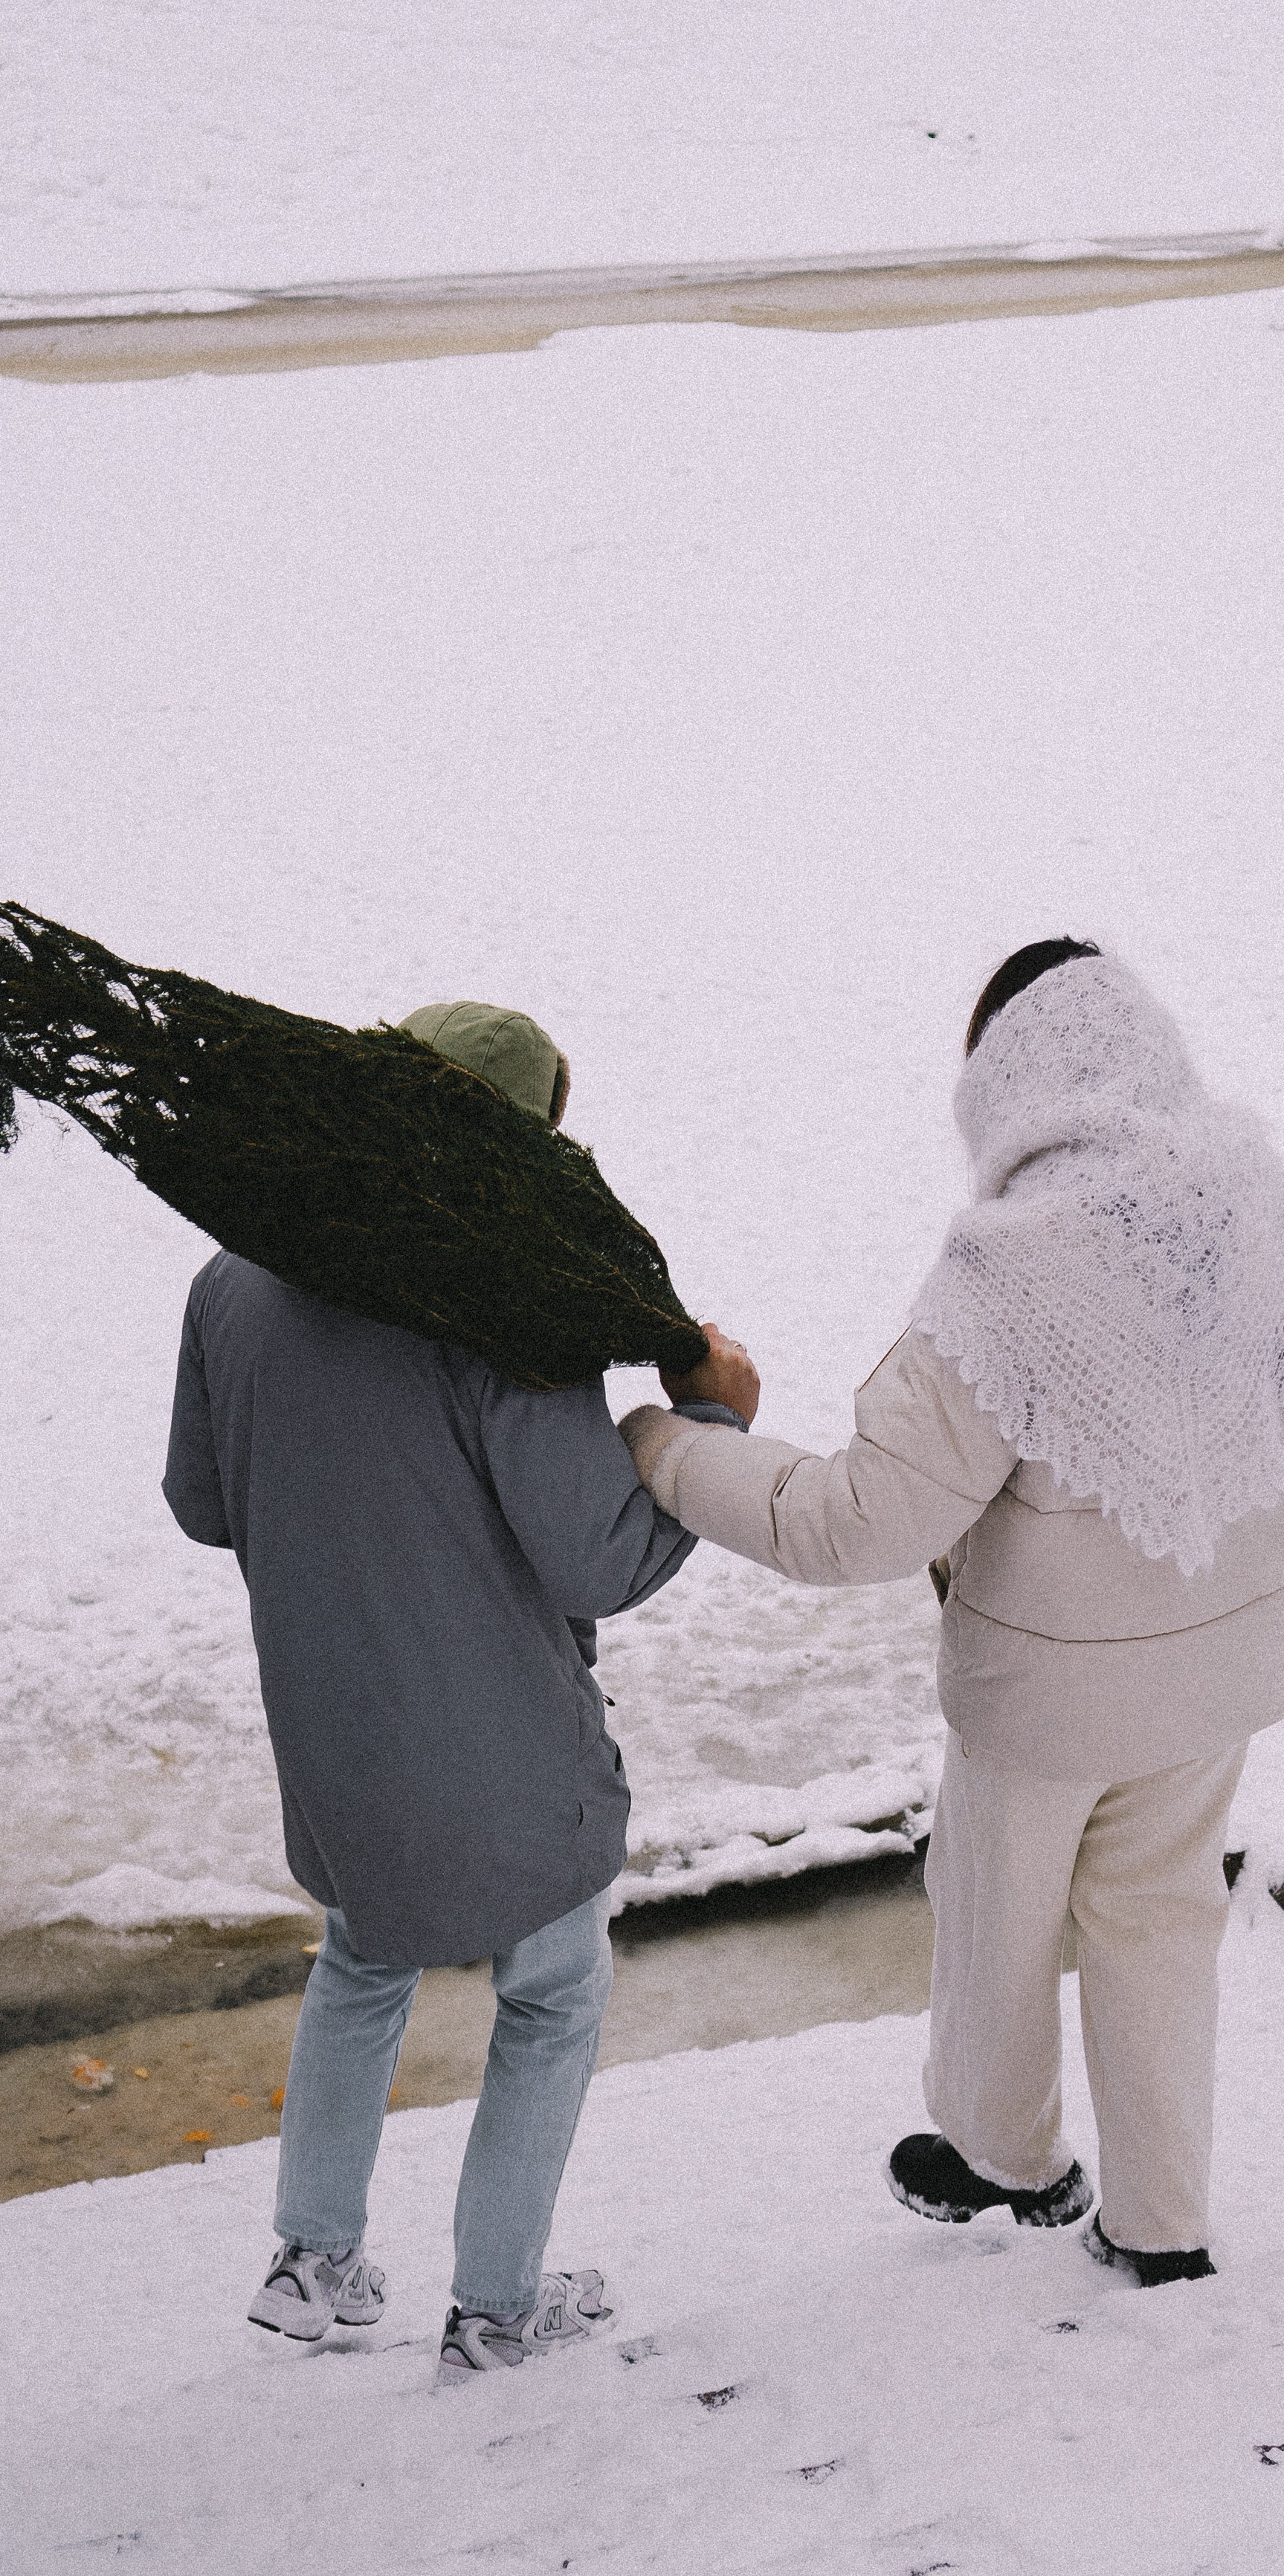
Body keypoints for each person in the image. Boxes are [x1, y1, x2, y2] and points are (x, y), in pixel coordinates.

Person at [623, 941, 1284, 2287]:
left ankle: (1006, 2156)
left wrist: (669, 1448)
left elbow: (860, 1523)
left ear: (1007, 1084)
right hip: (1223, 1679)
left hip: (1041, 1703)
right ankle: (1162, 2227)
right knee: (1161, 1920)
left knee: (994, 1918)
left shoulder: (1006, 1277)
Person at [162, 998, 759, 2382]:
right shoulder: (499, 1314)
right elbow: (601, 1559)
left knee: (361, 1961)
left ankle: (311, 2262)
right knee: (550, 1999)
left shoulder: (234, 1276)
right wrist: (709, 1417)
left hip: (332, 1740)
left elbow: (202, 1501)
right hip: (507, 1760)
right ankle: (495, 2310)